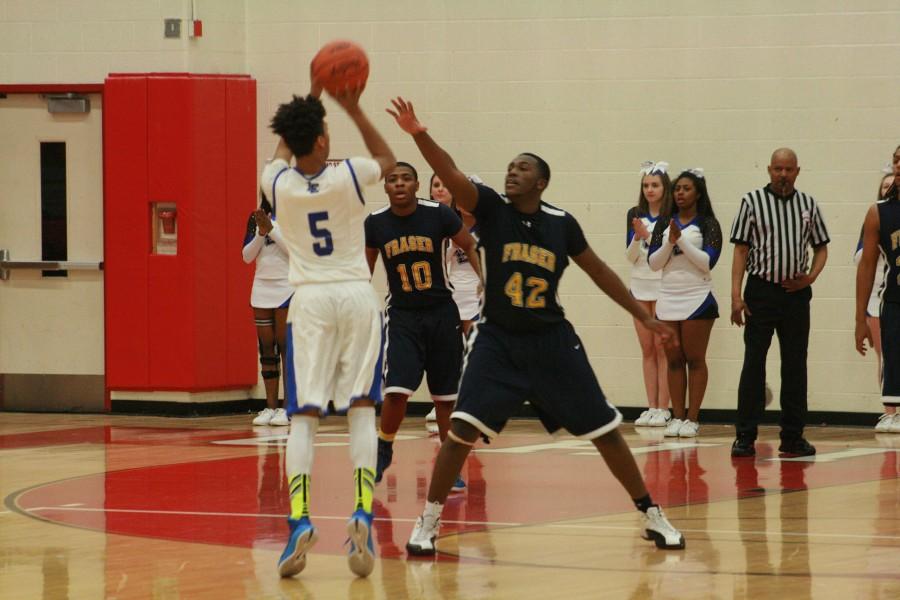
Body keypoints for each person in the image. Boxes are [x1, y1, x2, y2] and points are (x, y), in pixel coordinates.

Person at [385, 96, 685, 555]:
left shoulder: (561, 224)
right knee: (460, 432)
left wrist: (643, 315)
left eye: (522, 168)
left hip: (551, 341)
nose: (512, 172)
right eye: (510, 166)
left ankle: (651, 513)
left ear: (541, 181)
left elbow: (600, 271)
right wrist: (418, 133)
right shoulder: (489, 209)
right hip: (498, 341)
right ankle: (428, 521)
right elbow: (449, 173)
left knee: (605, 429)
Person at [261, 81, 396, 579]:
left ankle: (299, 520)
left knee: (303, 418)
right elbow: (387, 156)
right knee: (363, 408)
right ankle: (361, 510)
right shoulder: (350, 178)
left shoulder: (277, 184)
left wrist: (308, 102)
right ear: (321, 140)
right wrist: (353, 106)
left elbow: (280, 152)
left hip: (311, 302)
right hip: (357, 297)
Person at [364, 162, 479, 492]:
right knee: (397, 390)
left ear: (416, 185)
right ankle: (384, 446)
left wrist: (484, 277)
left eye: (406, 178)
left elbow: (469, 244)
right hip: (403, 315)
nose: (399, 184)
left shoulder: (439, 215)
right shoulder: (376, 223)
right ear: (385, 187)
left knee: (445, 399)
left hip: (442, 313)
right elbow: (364, 270)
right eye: (392, 179)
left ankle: (450, 466)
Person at [729, 148, 829, 458]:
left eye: (788, 169)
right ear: (768, 170)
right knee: (754, 363)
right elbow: (741, 252)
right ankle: (745, 436)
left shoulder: (808, 204)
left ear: (797, 171)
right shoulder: (751, 202)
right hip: (761, 291)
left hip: (795, 296)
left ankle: (793, 436)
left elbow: (821, 249)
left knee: (796, 365)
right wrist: (736, 294)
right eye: (777, 169)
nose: (783, 175)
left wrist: (809, 278)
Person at [648, 169, 721, 438]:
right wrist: (669, 241)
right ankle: (676, 417)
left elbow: (707, 262)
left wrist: (681, 241)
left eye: (686, 188)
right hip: (668, 297)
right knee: (674, 360)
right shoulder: (664, 223)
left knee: (695, 358)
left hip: (697, 299)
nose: (680, 192)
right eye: (677, 188)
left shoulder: (708, 223)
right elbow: (654, 263)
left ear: (698, 193)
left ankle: (692, 418)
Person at [425, 173, 484, 435]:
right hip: (450, 293)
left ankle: (476, 403)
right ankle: (445, 402)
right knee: (448, 352)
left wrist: (487, 281)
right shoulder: (444, 224)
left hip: (476, 292)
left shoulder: (484, 226)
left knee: (475, 350)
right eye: (435, 185)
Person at [857, 152, 900, 431]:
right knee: (892, 359)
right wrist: (860, 318)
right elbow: (867, 266)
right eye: (897, 160)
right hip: (894, 299)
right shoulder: (878, 212)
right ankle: (892, 412)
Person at [627, 162, 673, 427]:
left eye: (655, 185)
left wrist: (649, 238)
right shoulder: (635, 214)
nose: (650, 190)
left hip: (663, 286)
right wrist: (637, 237)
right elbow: (630, 257)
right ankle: (651, 406)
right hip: (639, 287)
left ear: (664, 187)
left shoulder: (670, 217)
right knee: (647, 348)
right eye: (646, 185)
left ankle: (664, 408)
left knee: (661, 348)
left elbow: (665, 255)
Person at [242, 193, 292, 427]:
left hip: (287, 286)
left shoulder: (296, 214)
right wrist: (261, 232)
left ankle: (288, 408)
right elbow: (247, 256)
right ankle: (270, 407)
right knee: (266, 349)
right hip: (262, 287)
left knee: (285, 346)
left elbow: (295, 252)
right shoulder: (255, 217)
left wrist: (271, 229)